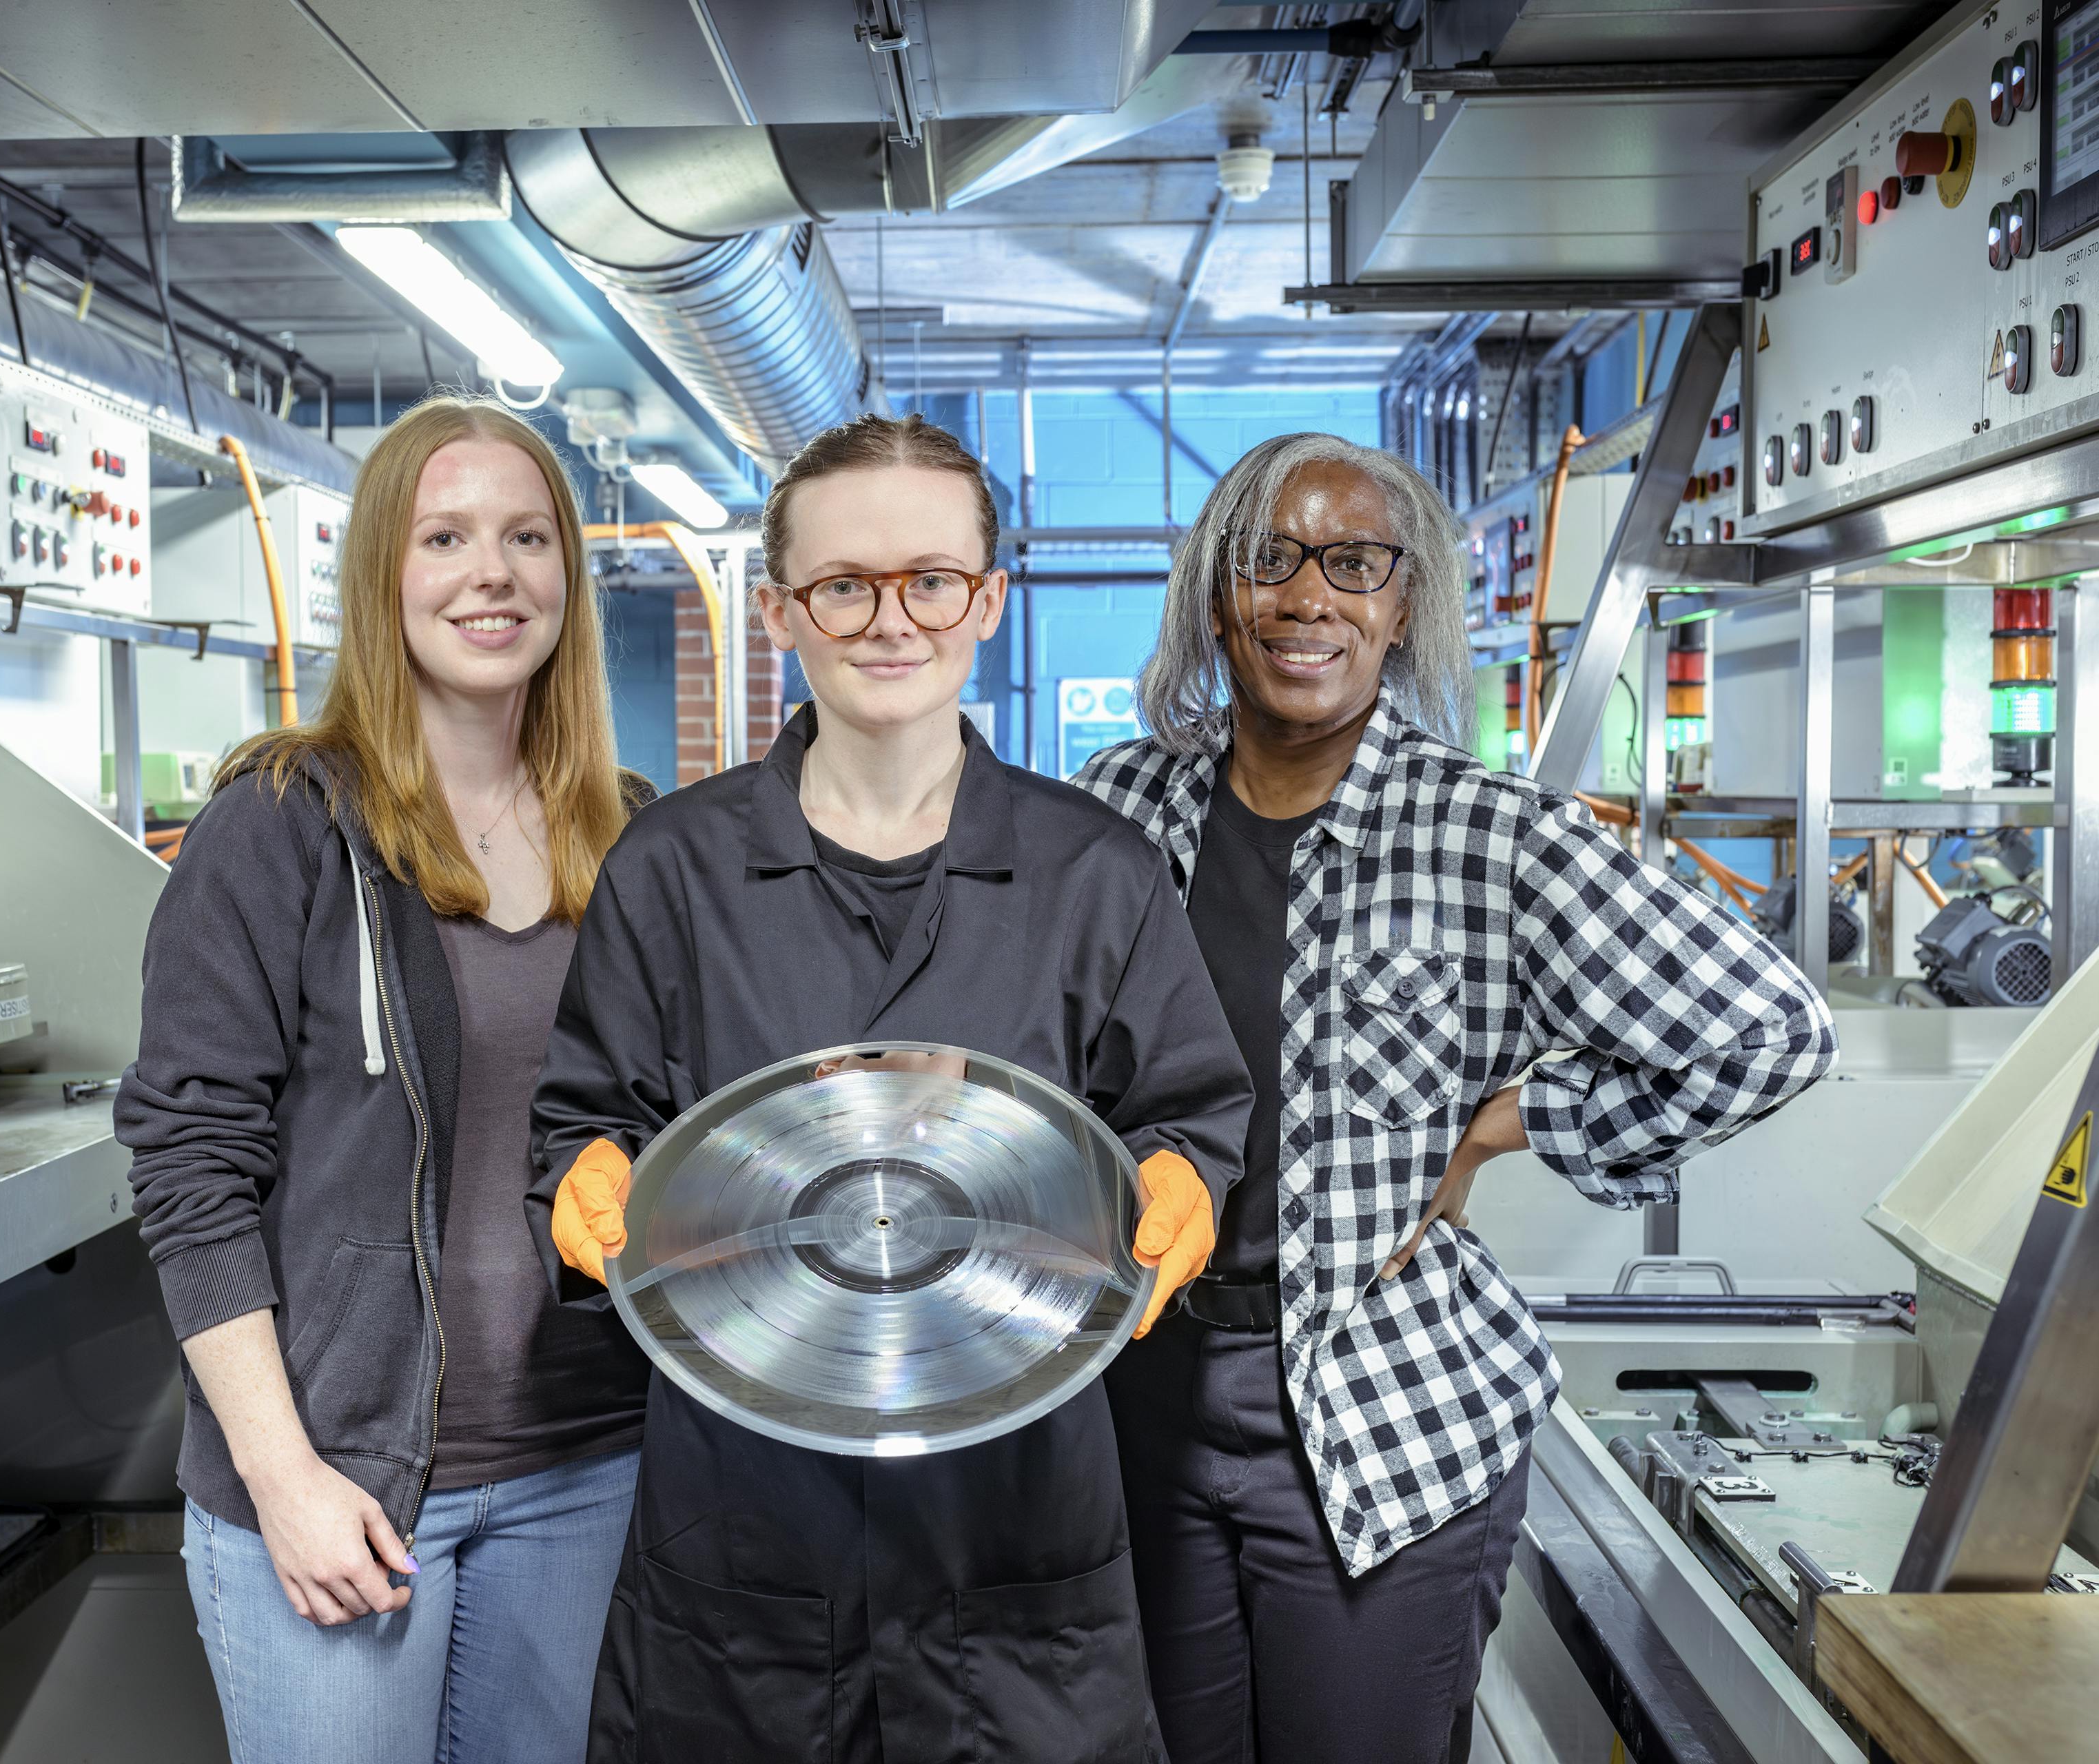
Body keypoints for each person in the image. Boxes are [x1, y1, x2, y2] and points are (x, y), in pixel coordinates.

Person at [1075, 433, 1836, 1764]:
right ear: (1215, 595)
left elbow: (1770, 1032)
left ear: (1404, 604)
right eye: (1269, 559)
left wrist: (1511, 1122)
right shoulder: (1123, 809)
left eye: (1355, 565)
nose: (1308, 597)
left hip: (1379, 1407)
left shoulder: (1496, 836)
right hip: (1143, 1392)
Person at [527, 413, 1252, 1763]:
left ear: (987, 599)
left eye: (929, 579)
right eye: (843, 584)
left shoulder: (1094, 871)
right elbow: (588, 1115)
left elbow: (1191, 1108)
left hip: (1016, 1536)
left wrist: (1181, 1182)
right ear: (780, 609)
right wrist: (584, 1178)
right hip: (744, 1535)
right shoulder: (670, 871)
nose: (887, 619)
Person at [116, 395, 656, 1763]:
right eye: (449, 536)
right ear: (381, 577)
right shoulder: (283, 824)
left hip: (584, 1460)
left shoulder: (632, 834)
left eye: (529, 537)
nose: (495, 571)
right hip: (345, 1466)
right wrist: (280, 1473)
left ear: (566, 582)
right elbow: (190, 1167)